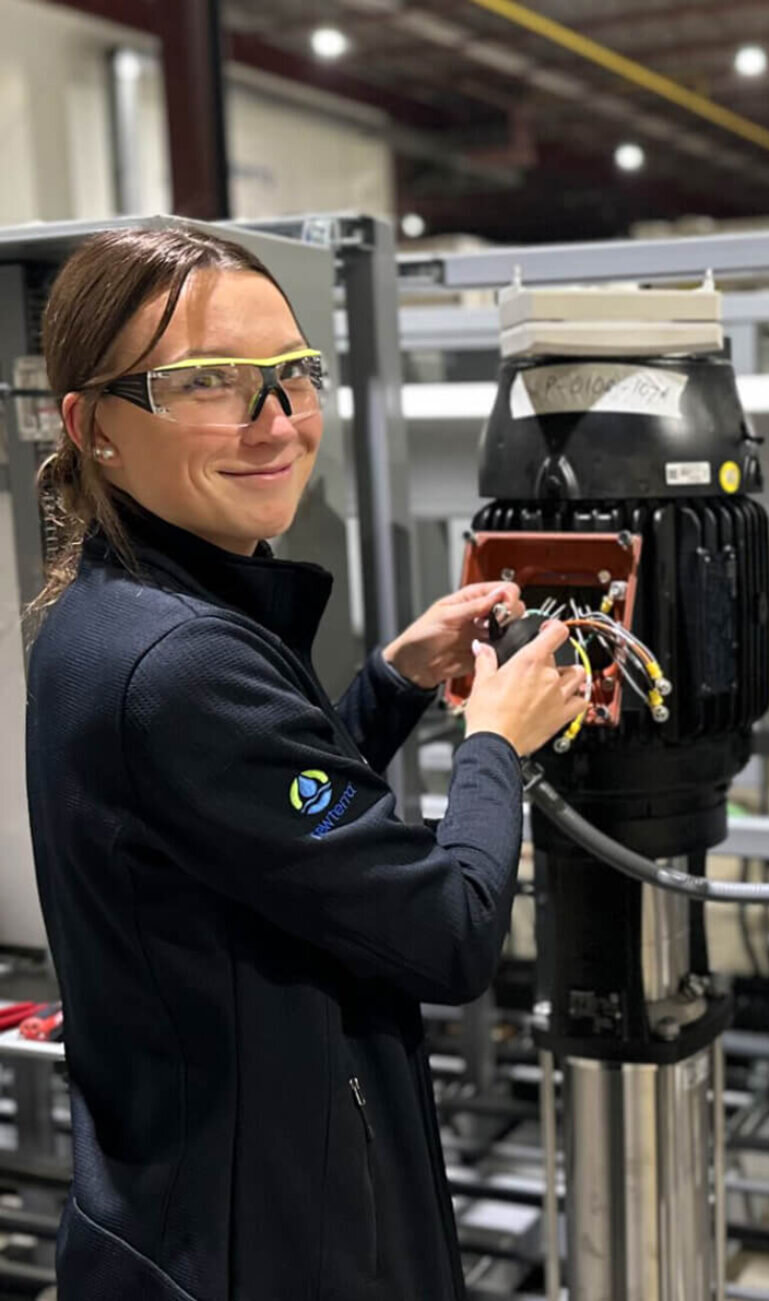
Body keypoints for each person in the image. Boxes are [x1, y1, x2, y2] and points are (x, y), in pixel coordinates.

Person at [24, 225, 586, 1301]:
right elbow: (448, 928)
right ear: (93, 426)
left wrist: (390, 684)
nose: (275, 419)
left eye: (292, 374)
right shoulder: (182, 660)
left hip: (180, 1208)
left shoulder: (106, 614)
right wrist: (496, 744)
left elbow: (248, 828)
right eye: (209, 383)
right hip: (263, 1245)